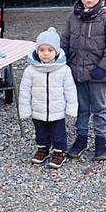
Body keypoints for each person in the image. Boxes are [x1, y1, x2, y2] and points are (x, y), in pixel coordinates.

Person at [60, 0, 106, 161]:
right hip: (77, 71)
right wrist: (61, 62)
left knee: (99, 107)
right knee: (81, 107)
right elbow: (65, 41)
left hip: (98, 74)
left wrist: (104, 67)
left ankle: (101, 141)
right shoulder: (73, 16)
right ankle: (81, 139)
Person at [19, 27, 78, 169]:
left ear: (56, 52)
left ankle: (59, 152)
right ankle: (42, 149)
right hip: (38, 109)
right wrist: (25, 109)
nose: (45, 54)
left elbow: (70, 90)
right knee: (41, 132)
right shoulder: (30, 70)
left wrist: (71, 108)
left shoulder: (64, 70)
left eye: (50, 50)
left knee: (58, 133)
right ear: (37, 51)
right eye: (42, 50)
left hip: (57, 110)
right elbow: (25, 91)